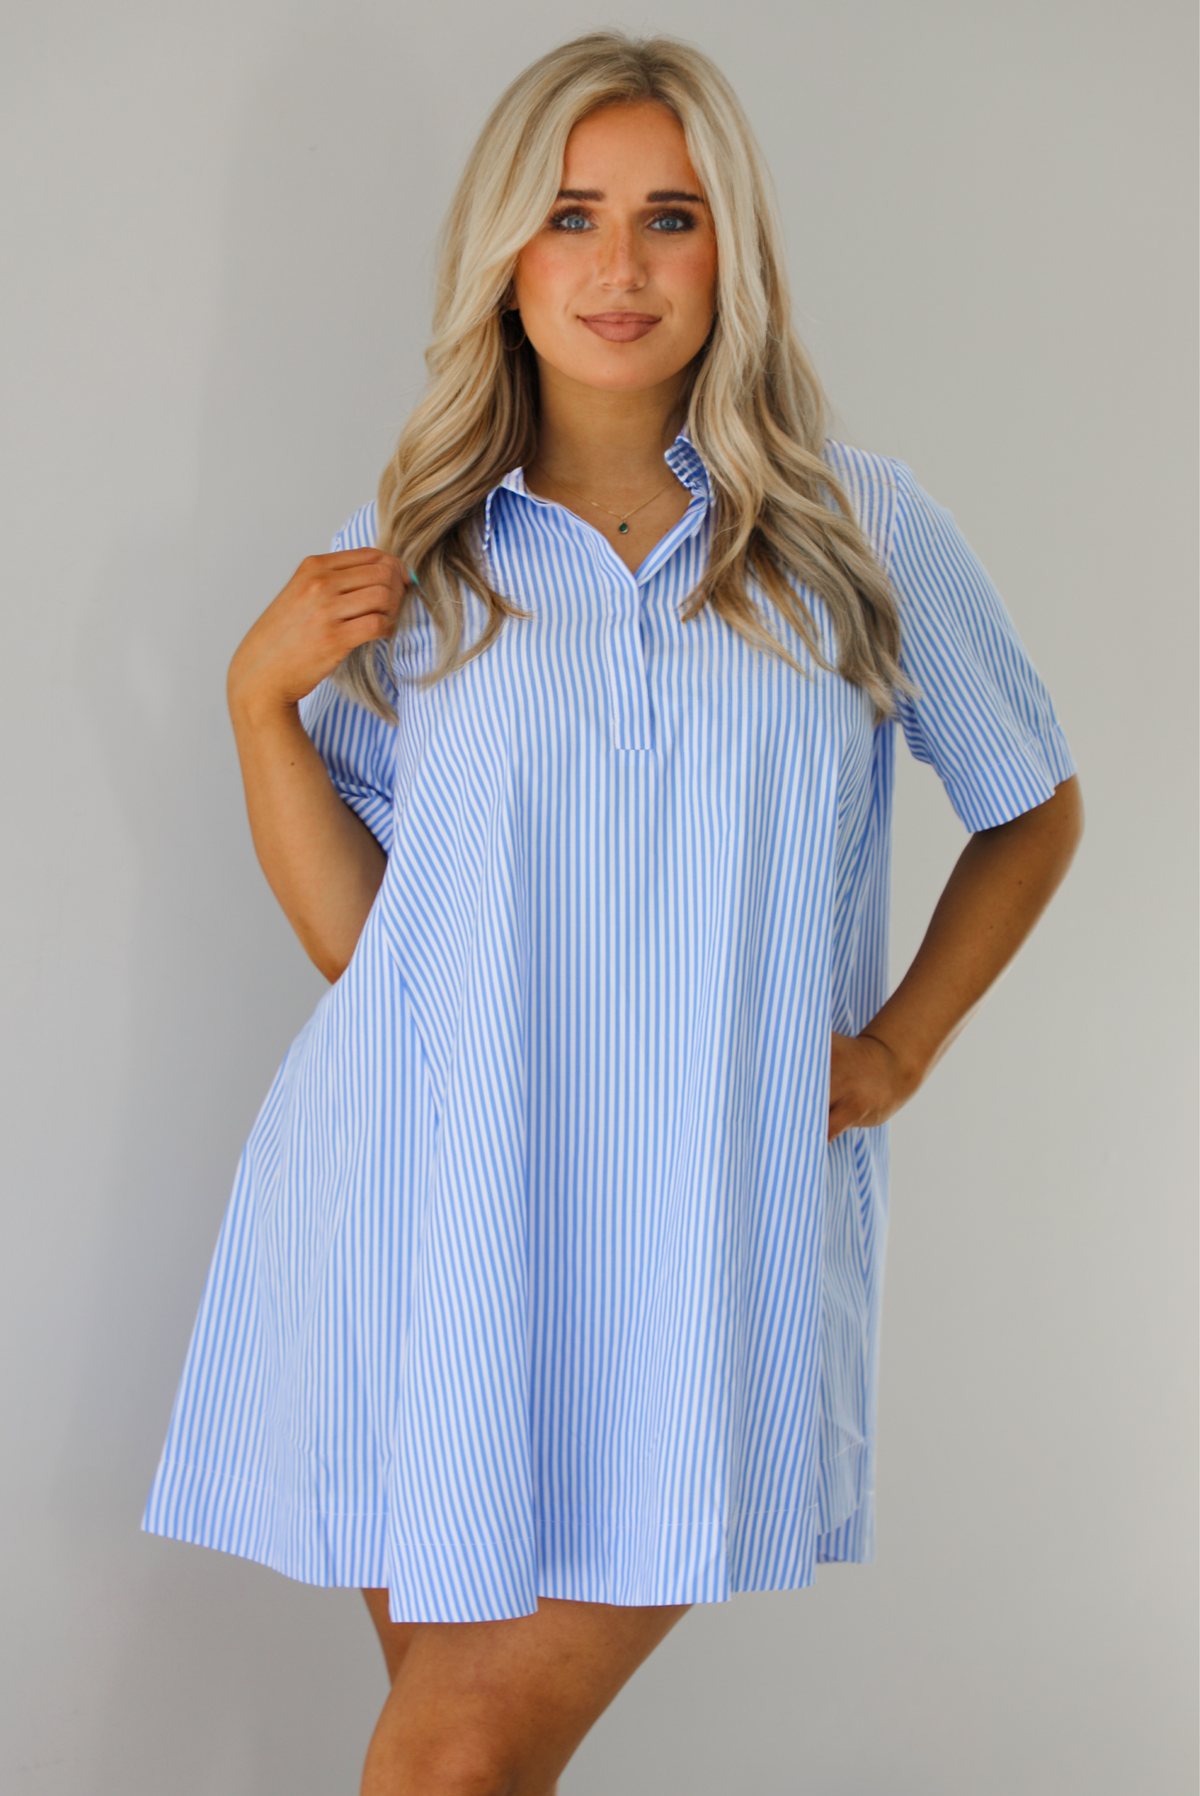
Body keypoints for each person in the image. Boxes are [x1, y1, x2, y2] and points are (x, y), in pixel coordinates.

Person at [142, 29, 1083, 1796]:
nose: (621, 265)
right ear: (505, 250)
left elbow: (1033, 807)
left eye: (673, 215)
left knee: (448, 1760)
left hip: (688, 1252)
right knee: (467, 1760)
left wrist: (896, 1052)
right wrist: (257, 701)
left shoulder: (858, 536)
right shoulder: (415, 551)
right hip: (424, 1223)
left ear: (735, 252)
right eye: (572, 215)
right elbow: (369, 947)